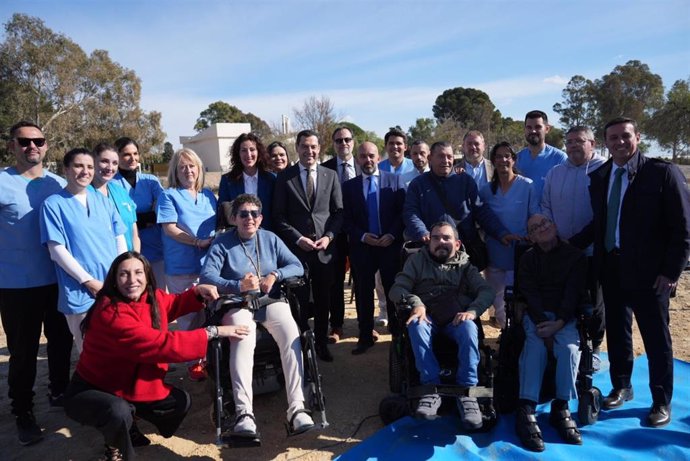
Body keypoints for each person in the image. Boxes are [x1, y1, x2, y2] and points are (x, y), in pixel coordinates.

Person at [63, 251, 248, 461]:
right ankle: (116, 448)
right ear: (114, 279)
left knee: (178, 402)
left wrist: (197, 293)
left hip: (130, 383)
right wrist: (212, 332)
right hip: (94, 388)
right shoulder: (109, 312)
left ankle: (131, 417)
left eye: (138, 272)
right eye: (124, 274)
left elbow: (171, 304)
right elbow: (160, 344)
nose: (132, 280)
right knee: (117, 411)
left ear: (147, 274)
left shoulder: (149, 297)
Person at [570, 117, 690, 427]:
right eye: (613, 138)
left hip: (652, 275)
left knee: (656, 338)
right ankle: (622, 385)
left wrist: (671, 271)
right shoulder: (601, 176)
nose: (620, 142)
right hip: (610, 267)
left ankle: (661, 401)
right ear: (605, 142)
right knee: (619, 332)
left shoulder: (662, 173)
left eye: (625, 136)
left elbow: (683, 228)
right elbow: (600, 224)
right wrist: (563, 246)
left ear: (637, 137)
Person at [200, 194, 315, 438]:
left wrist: (275, 274)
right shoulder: (221, 243)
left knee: (291, 334)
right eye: (243, 214)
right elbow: (207, 277)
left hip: (270, 300)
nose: (249, 218)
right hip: (237, 303)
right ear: (234, 218)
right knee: (243, 338)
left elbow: (296, 265)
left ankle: (297, 408)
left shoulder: (271, 238)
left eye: (254, 214)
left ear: (260, 218)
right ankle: (244, 414)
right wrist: (236, 285)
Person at [0, 121, 73, 445]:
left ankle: (59, 391)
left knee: (61, 343)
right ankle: (23, 412)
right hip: (15, 286)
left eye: (38, 141)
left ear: (46, 146)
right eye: (25, 142)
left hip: (56, 280)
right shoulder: (1, 183)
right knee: (24, 352)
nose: (32, 147)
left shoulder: (59, 184)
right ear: (12, 146)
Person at [389, 221, 494, 429]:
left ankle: (468, 392)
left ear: (457, 243)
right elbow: (397, 289)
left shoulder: (466, 266)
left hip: (455, 317)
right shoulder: (417, 261)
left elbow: (486, 291)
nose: (441, 242)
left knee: (469, 327)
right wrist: (416, 304)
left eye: (446, 238)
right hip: (427, 316)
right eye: (436, 238)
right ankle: (430, 387)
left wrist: (472, 312)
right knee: (416, 325)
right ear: (429, 242)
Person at [40, 148, 127, 353]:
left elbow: (119, 237)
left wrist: (119, 274)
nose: (85, 171)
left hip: (113, 285)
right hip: (80, 290)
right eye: (79, 166)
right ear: (66, 169)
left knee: (119, 345)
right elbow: (56, 250)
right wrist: (88, 281)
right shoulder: (53, 205)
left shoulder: (104, 202)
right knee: (91, 350)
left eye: (89, 166)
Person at [515, 214, 587, 452]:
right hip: (536, 316)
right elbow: (529, 293)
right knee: (534, 347)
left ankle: (562, 405)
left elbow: (573, 293)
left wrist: (559, 323)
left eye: (546, 223)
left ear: (555, 226)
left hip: (564, 316)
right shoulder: (527, 259)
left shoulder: (575, 257)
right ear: (531, 237)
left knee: (568, 349)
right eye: (535, 228)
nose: (542, 228)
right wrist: (543, 324)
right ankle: (526, 407)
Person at [272, 129, 344, 362]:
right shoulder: (286, 177)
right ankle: (301, 345)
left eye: (313, 147)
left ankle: (321, 343)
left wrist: (329, 237)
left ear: (319, 149)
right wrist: (297, 238)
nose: (309, 151)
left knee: (324, 300)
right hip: (296, 253)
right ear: (298, 148)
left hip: (324, 251)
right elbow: (278, 216)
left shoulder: (330, 175)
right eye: (305, 146)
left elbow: (338, 213)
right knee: (299, 302)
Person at [541, 126, 606, 368]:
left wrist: (579, 241)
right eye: (569, 142)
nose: (573, 146)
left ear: (592, 143)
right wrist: (553, 236)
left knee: (594, 303)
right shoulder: (555, 172)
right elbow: (545, 205)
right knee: (564, 298)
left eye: (579, 141)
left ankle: (595, 347)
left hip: (591, 252)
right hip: (560, 251)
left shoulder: (604, 170)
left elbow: (604, 215)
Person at [157, 148, 217, 380]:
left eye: (192, 166)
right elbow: (169, 228)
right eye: (182, 167)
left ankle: (209, 355)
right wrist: (196, 241)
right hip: (182, 265)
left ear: (199, 169)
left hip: (208, 265)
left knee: (209, 312)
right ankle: (194, 362)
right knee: (189, 315)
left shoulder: (208, 195)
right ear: (175, 171)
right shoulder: (169, 195)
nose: (188, 170)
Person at [404, 141, 517, 258]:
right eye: (441, 156)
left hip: (464, 251)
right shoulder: (418, 184)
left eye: (449, 157)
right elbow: (411, 212)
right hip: (432, 251)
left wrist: (501, 233)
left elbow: (482, 211)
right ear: (430, 157)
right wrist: (422, 232)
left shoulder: (465, 181)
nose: (446, 161)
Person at [343, 142, 405, 353]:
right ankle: (365, 335)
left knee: (393, 291)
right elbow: (345, 219)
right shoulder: (349, 187)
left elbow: (402, 213)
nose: (367, 160)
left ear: (379, 157)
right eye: (363, 156)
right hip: (363, 247)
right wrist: (361, 236)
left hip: (389, 245)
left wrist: (391, 234)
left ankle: (397, 336)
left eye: (371, 156)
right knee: (363, 293)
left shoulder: (394, 181)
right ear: (357, 159)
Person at [479, 142, 539, 329]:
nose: (503, 160)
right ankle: (505, 335)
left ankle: (516, 335)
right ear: (493, 161)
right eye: (498, 156)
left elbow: (534, 214)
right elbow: (483, 219)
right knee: (498, 298)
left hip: (520, 252)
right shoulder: (486, 190)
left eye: (507, 156)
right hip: (495, 252)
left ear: (513, 160)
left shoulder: (527, 185)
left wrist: (531, 236)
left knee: (518, 298)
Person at [322, 126, 361, 343]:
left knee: (363, 281)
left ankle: (366, 325)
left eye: (347, 139)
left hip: (360, 233)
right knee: (335, 282)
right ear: (333, 144)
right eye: (338, 140)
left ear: (353, 142)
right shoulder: (324, 169)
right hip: (334, 234)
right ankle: (336, 325)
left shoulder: (363, 165)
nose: (343, 143)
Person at [112, 137, 166, 288]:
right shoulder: (110, 184)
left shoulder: (150, 181)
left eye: (135, 153)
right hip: (127, 249)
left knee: (158, 294)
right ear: (117, 156)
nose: (132, 158)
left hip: (156, 249)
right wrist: (146, 218)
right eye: (126, 154)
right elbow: (116, 220)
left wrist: (133, 219)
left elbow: (162, 213)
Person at [218, 133, 275, 230]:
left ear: (259, 152)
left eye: (252, 149)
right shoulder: (228, 181)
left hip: (267, 235)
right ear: (238, 154)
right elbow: (223, 211)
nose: (248, 154)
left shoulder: (271, 179)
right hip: (238, 236)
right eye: (243, 150)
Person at [91, 143, 141, 252]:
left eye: (114, 163)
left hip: (127, 262)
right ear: (93, 161)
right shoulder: (84, 194)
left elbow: (134, 234)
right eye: (104, 161)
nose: (110, 168)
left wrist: (135, 258)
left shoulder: (121, 192)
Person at [515, 110, 567, 201]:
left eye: (538, 127)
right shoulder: (517, 159)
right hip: (522, 214)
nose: (533, 131)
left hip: (549, 214)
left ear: (547, 129)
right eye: (529, 127)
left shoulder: (560, 158)